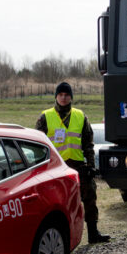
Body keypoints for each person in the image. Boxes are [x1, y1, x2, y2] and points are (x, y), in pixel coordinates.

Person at [36, 82, 110, 244]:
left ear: (71, 97)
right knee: (58, 203)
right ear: (56, 96)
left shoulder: (80, 116)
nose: (63, 98)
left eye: (66, 95)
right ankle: (62, 239)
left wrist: (91, 166)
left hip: (78, 166)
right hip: (54, 167)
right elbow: (38, 146)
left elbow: (88, 144)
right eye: (60, 95)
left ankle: (93, 232)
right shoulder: (45, 117)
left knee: (90, 196)